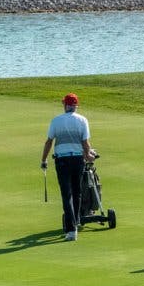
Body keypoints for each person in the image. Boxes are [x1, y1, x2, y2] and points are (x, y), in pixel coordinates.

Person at [39, 93, 95, 241]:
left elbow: (49, 142)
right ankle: (76, 222)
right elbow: (85, 143)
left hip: (62, 160)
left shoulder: (56, 120)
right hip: (77, 159)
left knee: (67, 194)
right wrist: (88, 154)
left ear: (65, 105)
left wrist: (44, 160)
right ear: (76, 106)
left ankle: (71, 230)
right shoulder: (82, 120)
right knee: (77, 192)